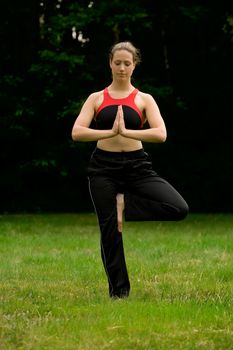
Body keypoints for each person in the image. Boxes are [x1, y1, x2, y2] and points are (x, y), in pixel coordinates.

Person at [71, 41, 189, 299]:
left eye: (127, 63)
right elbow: (77, 132)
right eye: (117, 63)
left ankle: (125, 206)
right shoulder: (97, 98)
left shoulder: (144, 99)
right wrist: (111, 132)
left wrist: (126, 132)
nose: (122, 68)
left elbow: (160, 133)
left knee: (178, 208)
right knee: (110, 229)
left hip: (137, 166)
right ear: (110, 64)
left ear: (134, 66)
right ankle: (119, 293)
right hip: (103, 168)